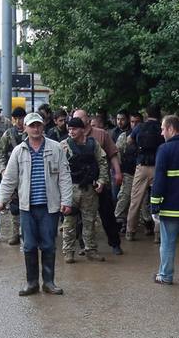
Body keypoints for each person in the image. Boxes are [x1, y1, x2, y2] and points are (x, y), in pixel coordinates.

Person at [0, 112, 72, 296]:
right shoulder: (19, 151)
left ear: (43, 126)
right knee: (29, 246)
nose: (35, 129)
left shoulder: (55, 148)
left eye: (38, 125)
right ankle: (32, 283)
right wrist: (1, 201)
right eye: (32, 126)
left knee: (48, 245)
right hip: (27, 207)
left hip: (49, 207)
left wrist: (67, 200)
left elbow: (64, 176)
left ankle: (49, 282)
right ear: (26, 128)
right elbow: (9, 179)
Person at [72, 109, 123, 254]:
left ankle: (115, 243)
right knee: (80, 217)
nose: (77, 122)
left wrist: (117, 172)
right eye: (75, 119)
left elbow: (112, 154)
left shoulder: (101, 134)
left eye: (80, 118)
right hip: (80, 184)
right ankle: (85, 246)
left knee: (107, 213)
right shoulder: (71, 137)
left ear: (87, 119)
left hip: (100, 181)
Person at [59, 117, 109, 263]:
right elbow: (57, 168)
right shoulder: (63, 145)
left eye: (74, 129)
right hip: (70, 189)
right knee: (69, 222)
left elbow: (102, 162)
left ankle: (90, 250)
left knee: (90, 221)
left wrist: (101, 181)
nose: (71, 132)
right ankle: (68, 251)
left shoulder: (93, 144)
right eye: (69, 129)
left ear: (82, 130)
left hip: (89, 189)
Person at [125, 103, 164, 242]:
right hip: (158, 167)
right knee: (158, 200)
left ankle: (130, 231)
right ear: (159, 114)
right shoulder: (161, 127)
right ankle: (158, 234)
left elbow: (129, 141)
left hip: (141, 167)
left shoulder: (139, 127)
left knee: (135, 201)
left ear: (146, 114)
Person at [150, 115, 179, 284]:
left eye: (162, 129)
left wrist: (154, 205)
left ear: (171, 128)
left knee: (167, 243)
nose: (161, 133)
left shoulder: (165, 149)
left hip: (171, 208)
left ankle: (165, 276)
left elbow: (159, 180)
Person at [115, 111, 149, 232]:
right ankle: (120, 221)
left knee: (144, 200)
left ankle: (147, 222)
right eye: (132, 122)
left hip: (142, 172)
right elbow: (117, 153)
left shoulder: (148, 135)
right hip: (128, 172)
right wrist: (119, 170)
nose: (134, 124)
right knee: (124, 197)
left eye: (137, 122)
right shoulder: (124, 136)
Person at [0, 106, 27, 245]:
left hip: (28, 175)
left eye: (21, 118)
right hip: (13, 174)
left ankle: (27, 233)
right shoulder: (9, 134)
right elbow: (1, 152)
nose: (19, 121)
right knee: (14, 207)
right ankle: (15, 234)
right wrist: (3, 169)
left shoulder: (30, 133)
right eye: (17, 119)